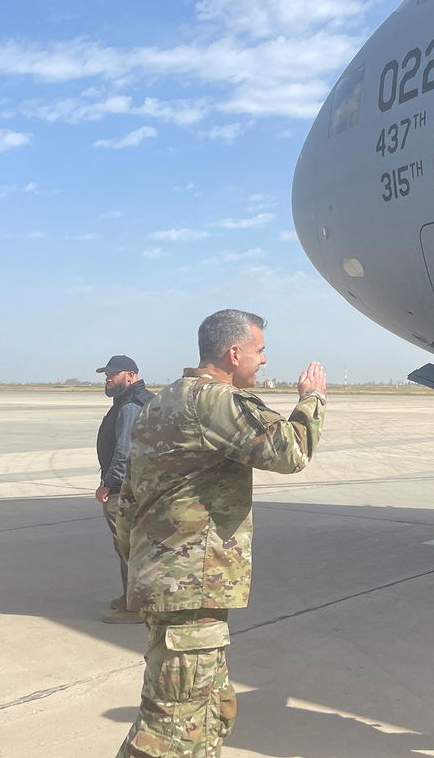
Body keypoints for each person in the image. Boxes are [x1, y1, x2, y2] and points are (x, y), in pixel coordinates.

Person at [114, 309, 326, 758]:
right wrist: (311, 400)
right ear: (234, 353)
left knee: (211, 711)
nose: (263, 360)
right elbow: (288, 452)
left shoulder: (163, 401)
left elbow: (129, 499)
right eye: (259, 351)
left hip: (171, 584)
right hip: (189, 588)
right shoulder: (215, 401)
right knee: (170, 728)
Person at [95, 354, 154, 624]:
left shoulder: (131, 405)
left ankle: (138, 607)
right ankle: (131, 597)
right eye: (107, 375)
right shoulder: (133, 401)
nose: (108, 379)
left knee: (129, 547)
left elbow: (124, 451)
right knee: (127, 546)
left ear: (130, 376)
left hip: (128, 489)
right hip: (136, 486)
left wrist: (109, 484)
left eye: (113, 375)